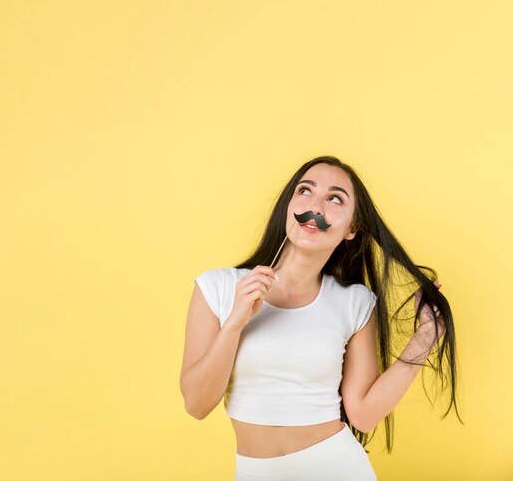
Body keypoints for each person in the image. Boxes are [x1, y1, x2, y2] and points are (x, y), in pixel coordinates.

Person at [179, 155, 462, 480]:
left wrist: (426, 336)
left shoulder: (354, 303)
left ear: (352, 228)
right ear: (289, 206)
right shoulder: (217, 287)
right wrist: (234, 323)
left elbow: (364, 416)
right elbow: (196, 405)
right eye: (305, 191)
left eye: (334, 198)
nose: (315, 206)